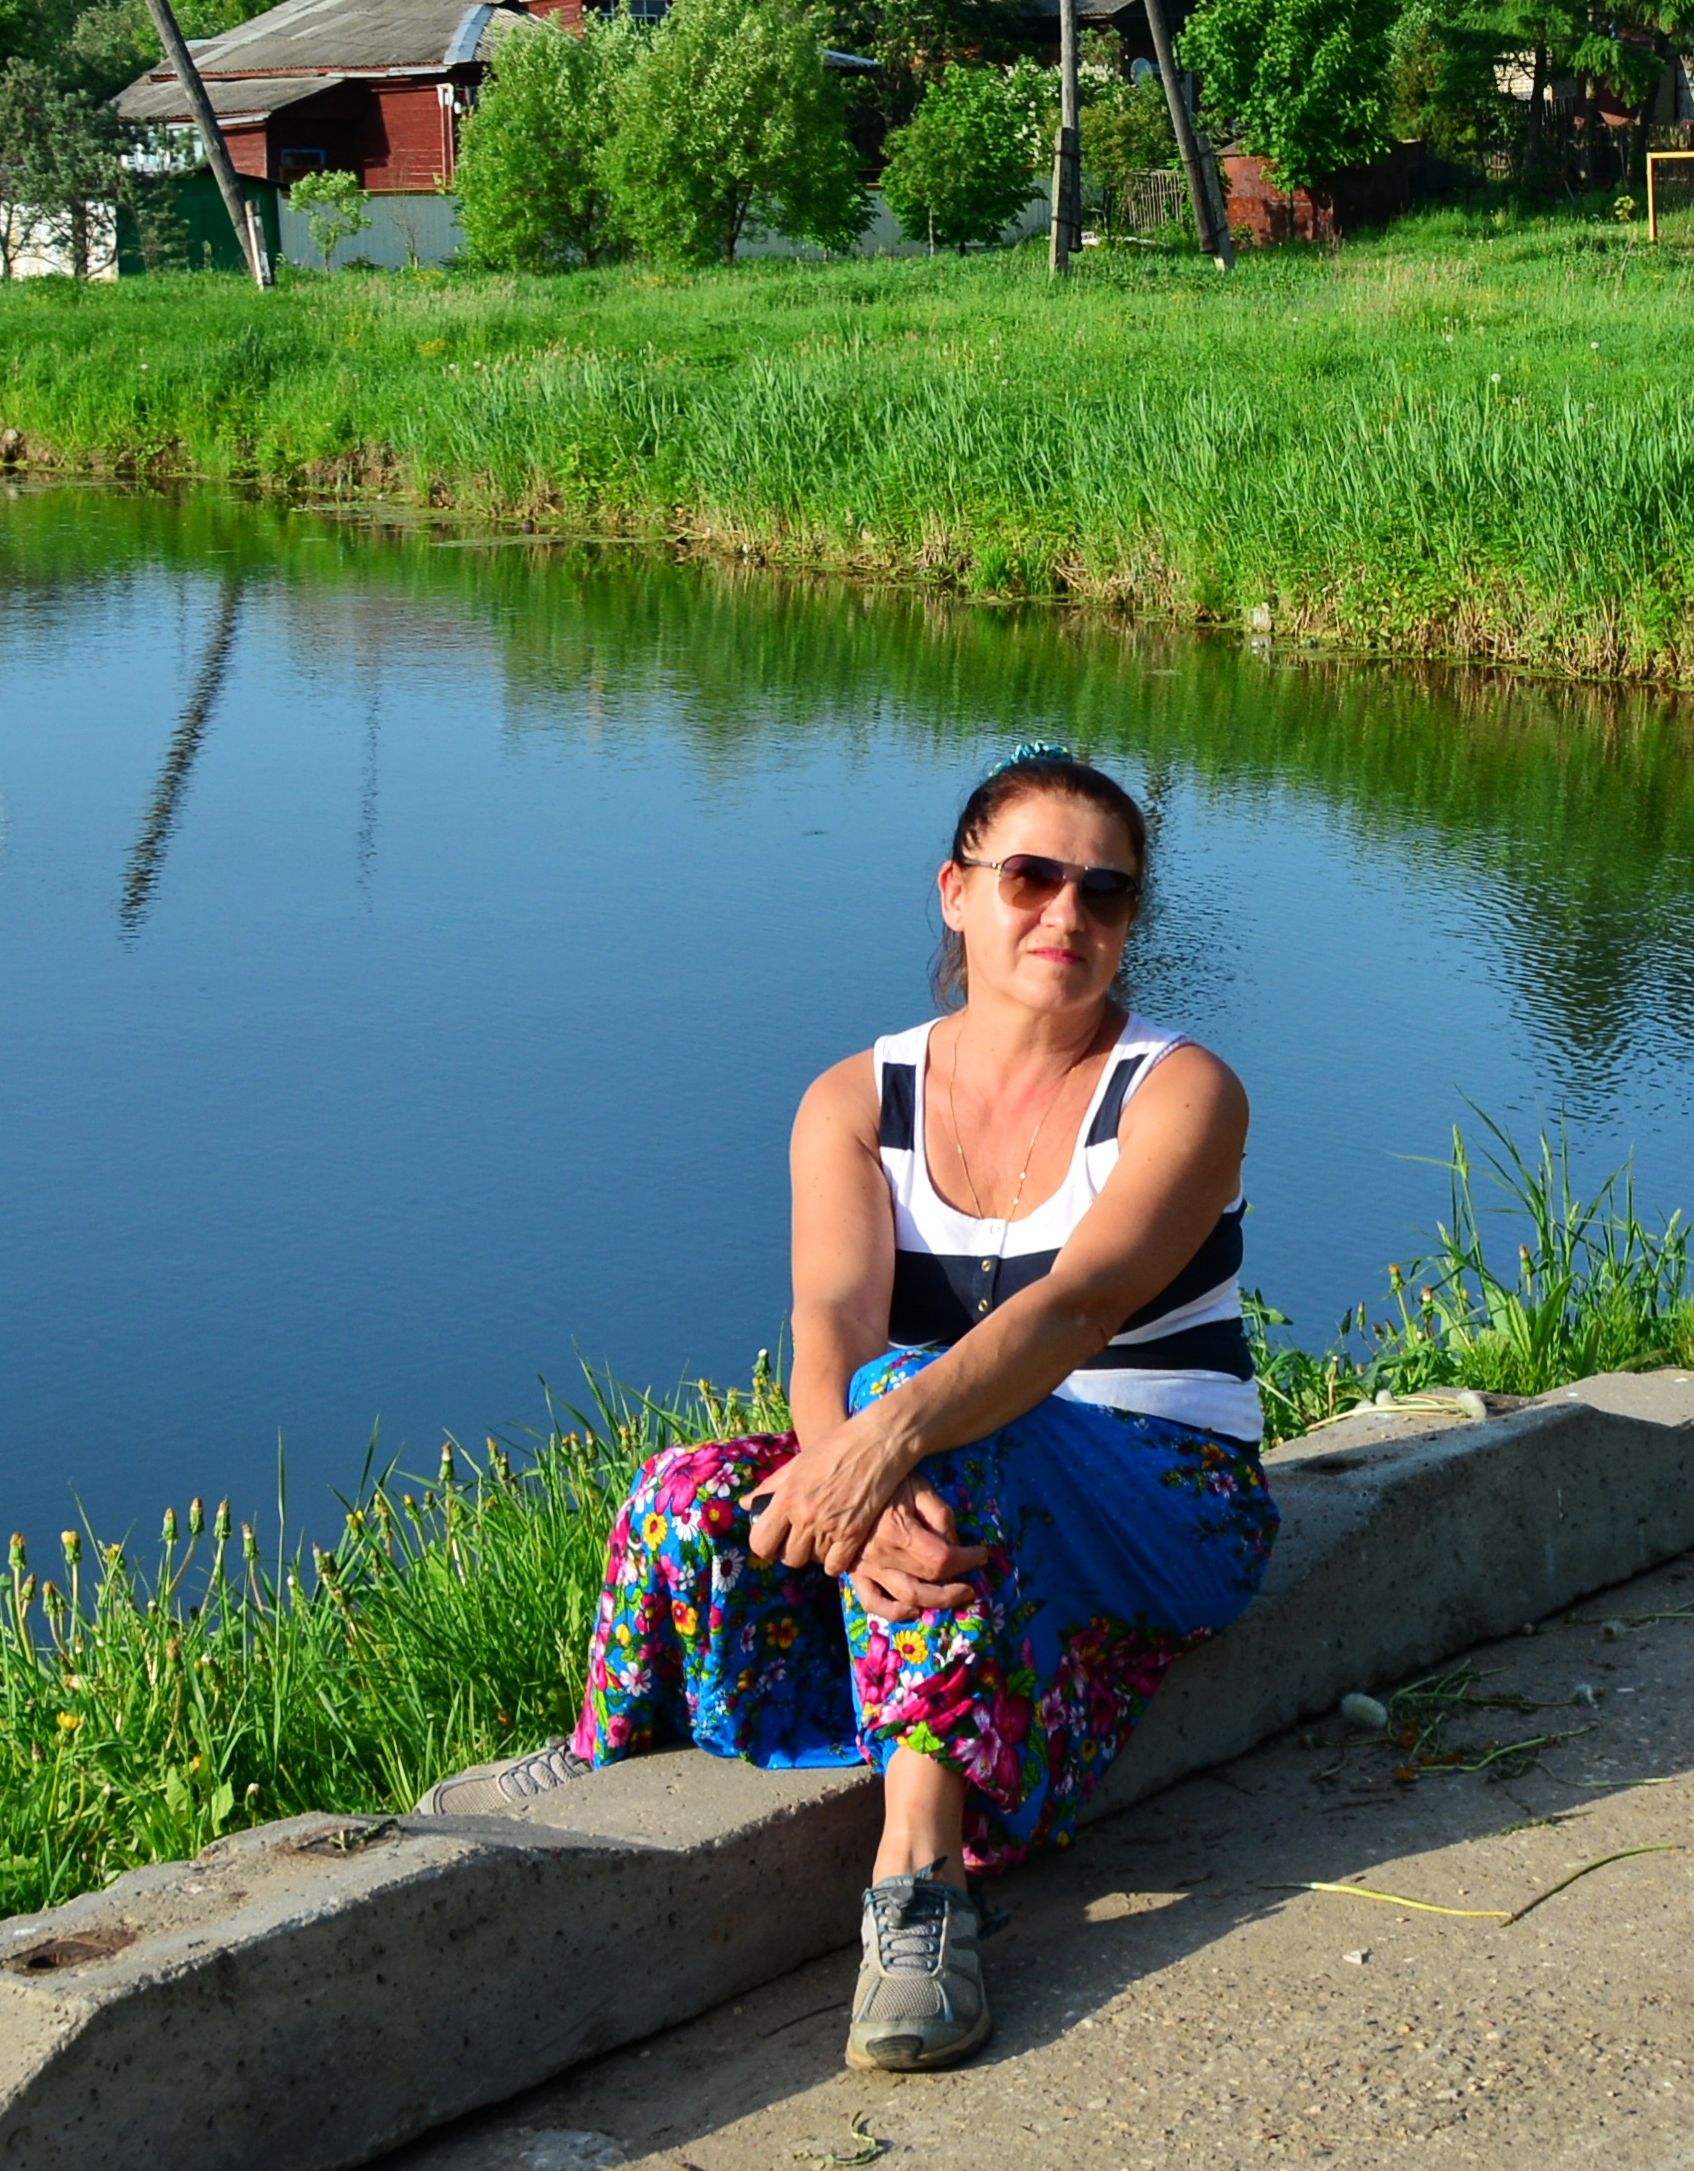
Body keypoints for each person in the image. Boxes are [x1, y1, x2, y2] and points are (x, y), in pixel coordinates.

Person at [429, 746, 1278, 2070]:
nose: (1067, 916)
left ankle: (921, 1887)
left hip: (1167, 1497)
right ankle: (612, 1745)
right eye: (1032, 878)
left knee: (924, 1405)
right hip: (951, 1464)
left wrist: (880, 1446)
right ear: (957, 892)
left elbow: (1068, 1313)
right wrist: (847, 1478)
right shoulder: (854, 1101)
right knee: (686, 1494)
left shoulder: (1179, 1093)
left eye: (1105, 895)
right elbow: (830, 1319)